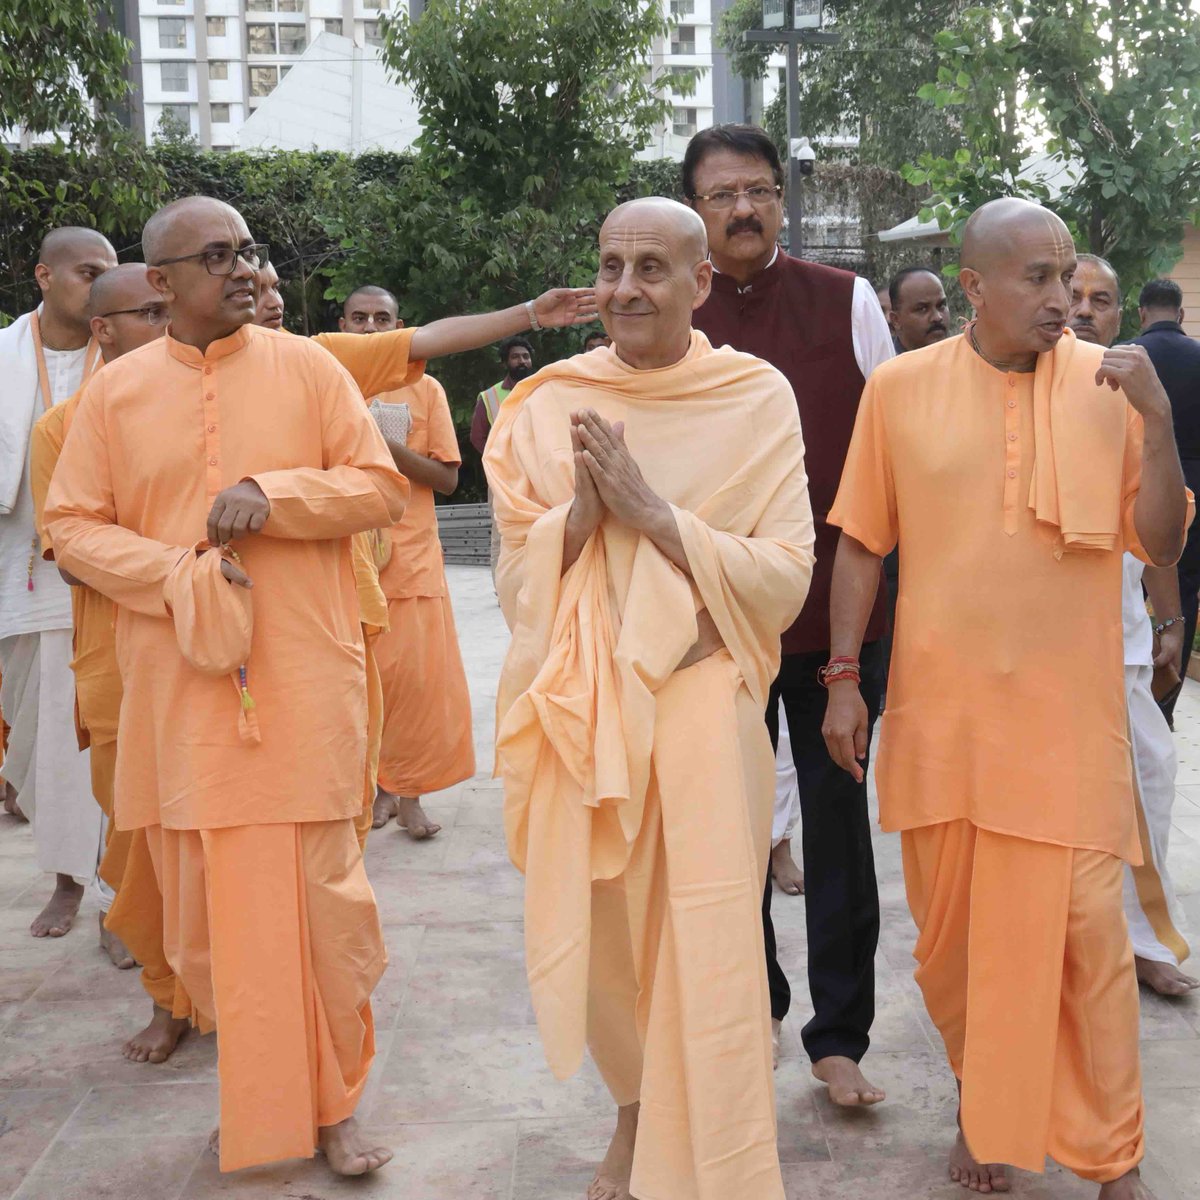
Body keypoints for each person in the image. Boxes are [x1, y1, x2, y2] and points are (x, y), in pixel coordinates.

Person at [44, 195, 597, 1177]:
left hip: (305, 679)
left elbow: (382, 489)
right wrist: (174, 574)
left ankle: (334, 1106)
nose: (242, 269)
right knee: (211, 916)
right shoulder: (113, 398)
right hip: (183, 687)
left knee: (324, 907)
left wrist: (276, 497)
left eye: (247, 250)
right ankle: (262, 1099)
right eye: (216, 257)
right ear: (161, 283)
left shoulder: (309, 366)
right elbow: (73, 527)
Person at [824, 197, 1187, 1199]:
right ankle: (984, 1114)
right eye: (1038, 279)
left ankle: (1114, 1157)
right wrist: (845, 679)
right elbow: (861, 539)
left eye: (1070, 278)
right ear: (973, 288)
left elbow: (1160, 540)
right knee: (956, 948)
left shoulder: (1114, 386)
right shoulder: (898, 390)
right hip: (944, 724)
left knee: (1087, 946)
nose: (1064, 299)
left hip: (1067, 724)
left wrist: (1157, 424)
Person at [485, 197, 815, 1200]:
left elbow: (788, 572)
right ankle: (635, 1110)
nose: (625, 289)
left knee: (706, 934)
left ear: (699, 282)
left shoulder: (754, 395)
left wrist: (653, 513)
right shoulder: (544, 404)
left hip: (704, 708)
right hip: (583, 710)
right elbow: (513, 587)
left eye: (652, 269)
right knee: (605, 945)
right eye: (611, 265)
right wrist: (581, 519)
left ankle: (711, 1148)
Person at [684, 121, 894, 1108]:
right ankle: (753, 1006)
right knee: (723, 829)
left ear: (781, 199)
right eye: (723, 194)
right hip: (712, 624)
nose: (744, 208)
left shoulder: (846, 301)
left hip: (832, 627)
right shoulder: (664, 311)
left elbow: (889, 456)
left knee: (840, 825)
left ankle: (837, 1033)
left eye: (760, 189)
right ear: (696, 210)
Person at [30, 263, 197, 1060]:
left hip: (212, 653)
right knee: (142, 845)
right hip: (119, 663)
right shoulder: (62, 426)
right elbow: (67, 552)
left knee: (217, 840)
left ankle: (230, 988)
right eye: (150, 314)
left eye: (172, 310)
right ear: (104, 330)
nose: (171, 325)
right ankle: (167, 1000)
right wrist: (171, 562)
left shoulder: (209, 399)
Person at [1068, 253, 1196, 998]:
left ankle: (1148, 943)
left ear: (1123, 318)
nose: (1084, 310)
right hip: (1024, 653)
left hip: (1117, 643)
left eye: (1102, 300)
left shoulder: (1131, 398)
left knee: (1149, 773)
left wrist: (1171, 618)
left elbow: (1157, 527)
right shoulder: (1002, 384)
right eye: (1074, 295)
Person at [0, 226, 117, 941]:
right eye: (85, 271)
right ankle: (69, 879)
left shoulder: (132, 350)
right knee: (44, 733)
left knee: (110, 724)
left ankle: (122, 890)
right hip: (25, 566)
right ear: (44, 276)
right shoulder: (3, 356)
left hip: (109, 564)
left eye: (110, 271)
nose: (100, 283)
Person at [336, 286, 475, 842]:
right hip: (344, 558)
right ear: (340, 325)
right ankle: (375, 790)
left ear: (400, 326)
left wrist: (385, 447)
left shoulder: (426, 387)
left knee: (414, 689)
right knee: (356, 686)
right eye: (359, 318)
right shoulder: (322, 379)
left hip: (411, 558)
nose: (370, 328)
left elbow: (446, 479)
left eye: (382, 319)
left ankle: (411, 794)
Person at [1133, 278, 1200, 716]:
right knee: (1184, 590)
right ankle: (1166, 698)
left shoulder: (1124, 357)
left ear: (1141, 314)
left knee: (1129, 590)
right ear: (1179, 314)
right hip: (1193, 486)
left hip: (1134, 485)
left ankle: (1135, 688)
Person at [470, 335, 535, 455]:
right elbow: (477, 437)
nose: (522, 361)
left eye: (526, 356)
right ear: (505, 363)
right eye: (515, 357)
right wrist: (497, 461)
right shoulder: (489, 397)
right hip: (508, 469)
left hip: (543, 465)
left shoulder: (543, 388)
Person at [888, 265, 951, 353]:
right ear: (896, 320)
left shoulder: (967, 358)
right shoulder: (882, 363)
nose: (937, 317)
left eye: (941, 306)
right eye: (922, 309)